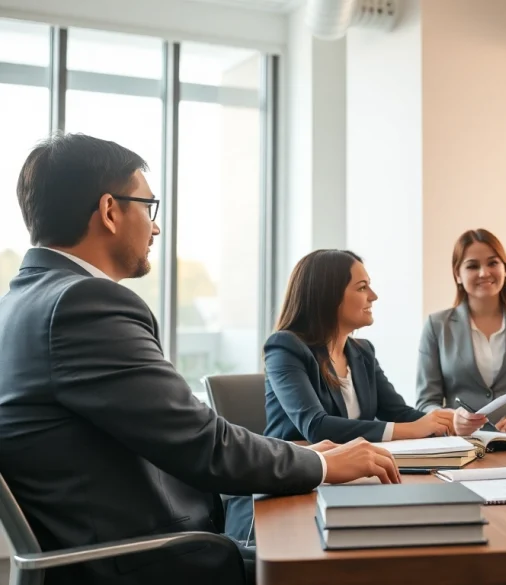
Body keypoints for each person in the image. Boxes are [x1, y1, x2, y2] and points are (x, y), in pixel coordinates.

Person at [0, 133, 400, 585]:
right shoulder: (82, 305)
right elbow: (202, 444)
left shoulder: (20, 304)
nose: (154, 227)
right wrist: (324, 465)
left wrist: (297, 452)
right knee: (375, 563)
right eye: (148, 207)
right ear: (111, 211)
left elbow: (177, 431)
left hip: (111, 551)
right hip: (152, 561)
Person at [224, 249, 454, 541]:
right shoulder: (285, 347)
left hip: (352, 482)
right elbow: (316, 425)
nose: (373, 296)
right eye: (362, 287)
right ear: (327, 295)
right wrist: (410, 428)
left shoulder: (362, 352)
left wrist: (446, 422)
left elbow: (399, 412)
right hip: (289, 487)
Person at [416, 229, 506, 436]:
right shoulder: (437, 325)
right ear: (457, 275)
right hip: (461, 444)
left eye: (493, 263)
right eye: (472, 266)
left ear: (505, 269)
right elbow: (426, 402)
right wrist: (452, 420)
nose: (484, 272)